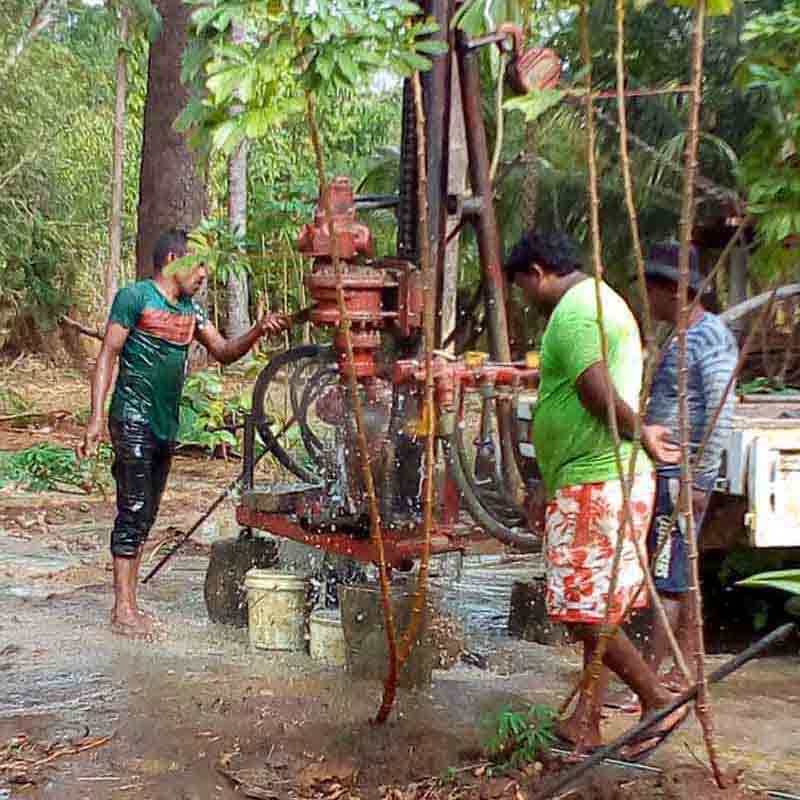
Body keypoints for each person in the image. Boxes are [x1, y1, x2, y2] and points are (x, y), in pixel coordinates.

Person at [505, 230, 687, 760]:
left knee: (581, 611)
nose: (523, 301)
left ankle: (656, 699)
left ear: (537, 273)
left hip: (600, 477)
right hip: (595, 475)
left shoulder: (577, 310)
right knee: (596, 603)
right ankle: (586, 722)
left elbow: (593, 385)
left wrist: (640, 431)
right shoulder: (599, 303)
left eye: (522, 287)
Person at [77, 228, 288, 640]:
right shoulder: (135, 297)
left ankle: (130, 603)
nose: (205, 274)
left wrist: (260, 328)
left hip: (165, 423)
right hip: (132, 415)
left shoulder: (192, 312)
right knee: (133, 507)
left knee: (147, 513)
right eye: (200, 263)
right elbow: (107, 356)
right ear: (174, 258)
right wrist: (95, 420)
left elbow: (225, 352)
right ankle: (122, 609)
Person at [638, 242, 738, 697]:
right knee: (681, 572)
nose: (649, 299)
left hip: (683, 473)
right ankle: (683, 667)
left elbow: (720, 409)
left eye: (653, 289)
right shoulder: (681, 336)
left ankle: (655, 673)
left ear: (671, 290)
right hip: (674, 470)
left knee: (668, 576)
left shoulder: (709, 336)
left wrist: (697, 478)